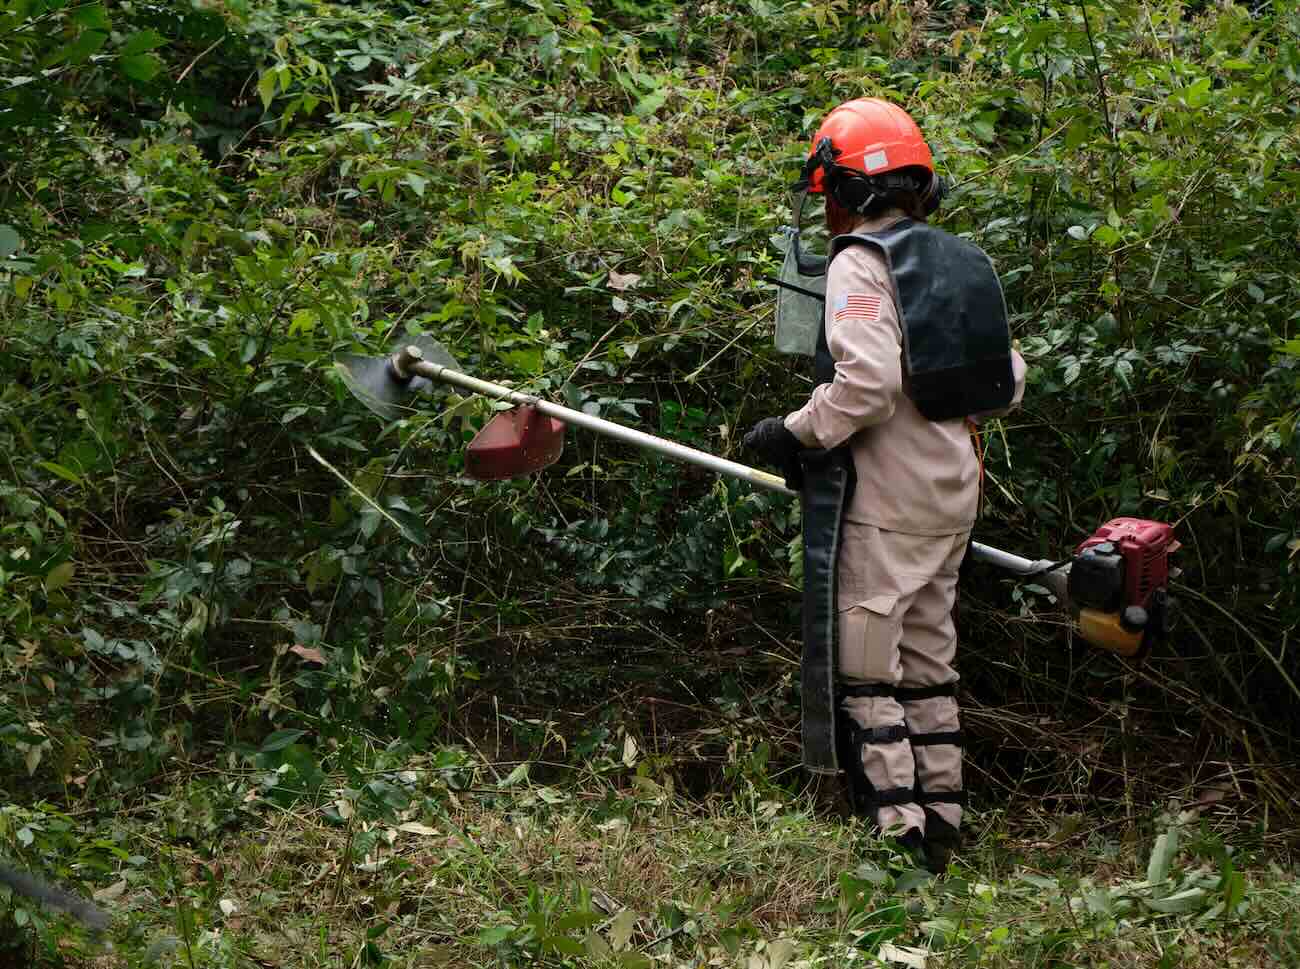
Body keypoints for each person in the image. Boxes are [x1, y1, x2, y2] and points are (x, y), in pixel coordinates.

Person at [744, 98, 1027, 872]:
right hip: (950, 502)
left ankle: (899, 842)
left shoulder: (862, 265)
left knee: (870, 673)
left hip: (888, 506)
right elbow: (1007, 384)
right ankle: (944, 825)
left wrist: (793, 431)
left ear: (842, 188)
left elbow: (864, 387)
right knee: (931, 665)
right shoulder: (961, 260)